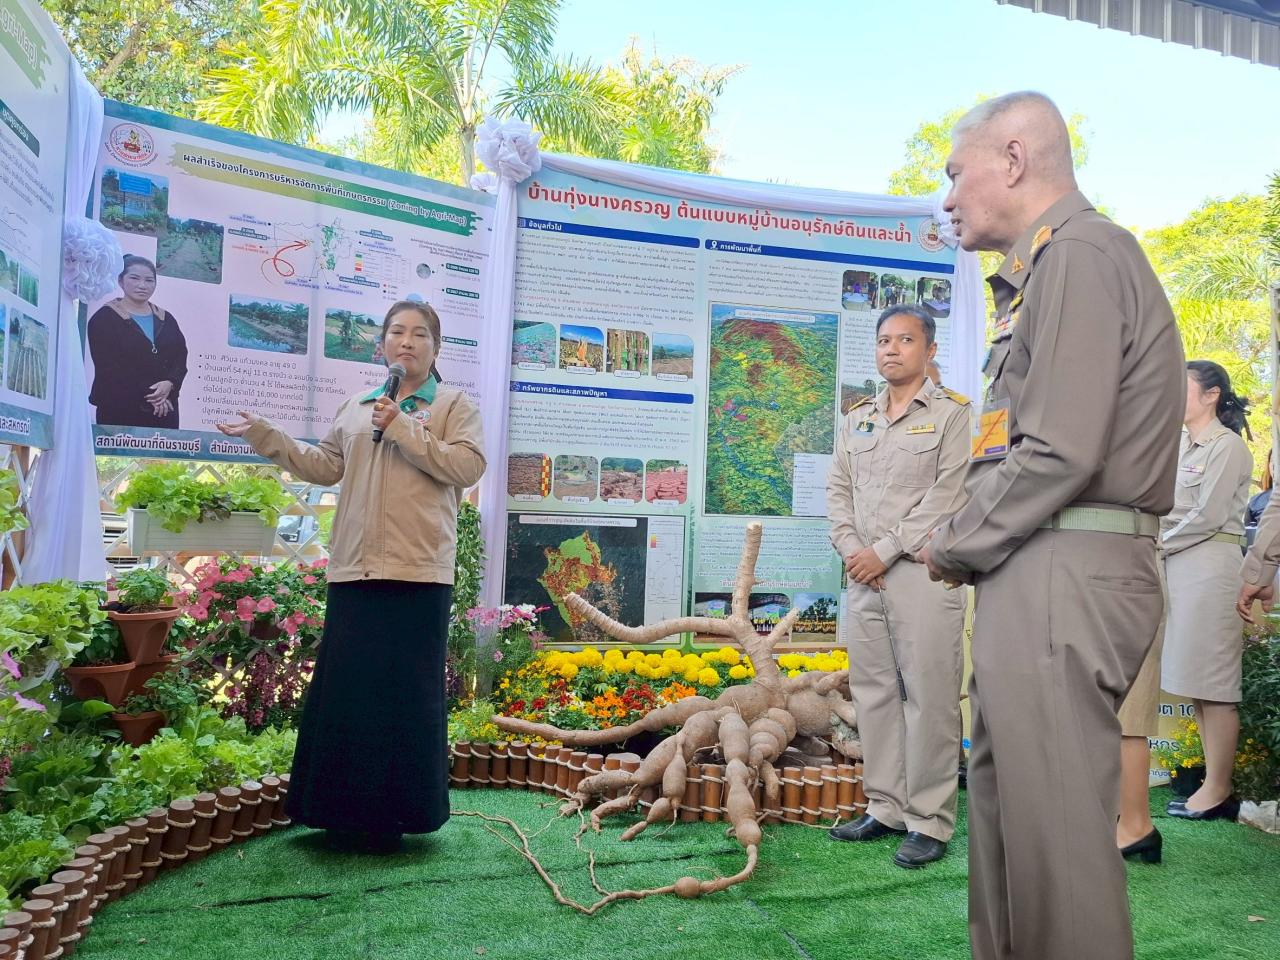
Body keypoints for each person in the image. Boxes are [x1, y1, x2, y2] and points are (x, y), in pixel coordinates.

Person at [918, 92, 1184, 960]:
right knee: (1009, 827)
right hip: (1038, 563)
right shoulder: (1043, 272)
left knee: (1057, 848)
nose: (948, 198)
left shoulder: (1080, 254)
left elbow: (1060, 448)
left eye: (956, 174)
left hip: (1066, 564)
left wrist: (955, 543)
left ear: (1015, 157)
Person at [216, 301, 484, 852]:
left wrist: (407, 427)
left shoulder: (454, 405)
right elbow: (325, 467)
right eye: (396, 333)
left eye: (419, 335)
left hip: (417, 572)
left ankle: (399, 816)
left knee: (405, 695)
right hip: (354, 568)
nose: (405, 342)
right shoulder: (357, 406)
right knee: (350, 691)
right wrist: (269, 436)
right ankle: (336, 811)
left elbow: (467, 467)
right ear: (381, 345)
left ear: (436, 348)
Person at [826, 304, 970, 868]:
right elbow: (838, 488)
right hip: (863, 578)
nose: (891, 349)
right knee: (875, 695)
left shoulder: (956, 415)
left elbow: (950, 495)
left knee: (931, 698)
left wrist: (882, 552)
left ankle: (930, 820)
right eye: (884, 340)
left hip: (923, 575)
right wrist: (851, 551)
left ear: (929, 350)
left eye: (904, 340)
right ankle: (884, 806)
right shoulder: (856, 417)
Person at [1159, 361, 1252, 822]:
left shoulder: (1227, 446)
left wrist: (1154, 544)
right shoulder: (1177, 444)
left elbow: (1209, 515)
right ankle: (1213, 785)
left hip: (1211, 566)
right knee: (1198, 683)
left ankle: (1218, 789)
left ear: (1212, 394)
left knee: (1214, 685)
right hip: (1179, 564)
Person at [87, 255, 187, 428]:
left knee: (161, 455)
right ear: (120, 281)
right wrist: (154, 397)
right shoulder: (104, 319)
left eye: (149, 280)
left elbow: (180, 357)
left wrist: (170, 384)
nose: (142, 285)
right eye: (134, 278)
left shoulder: (166, 318)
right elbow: (109, 367)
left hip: (164, 411)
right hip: (120, 410)